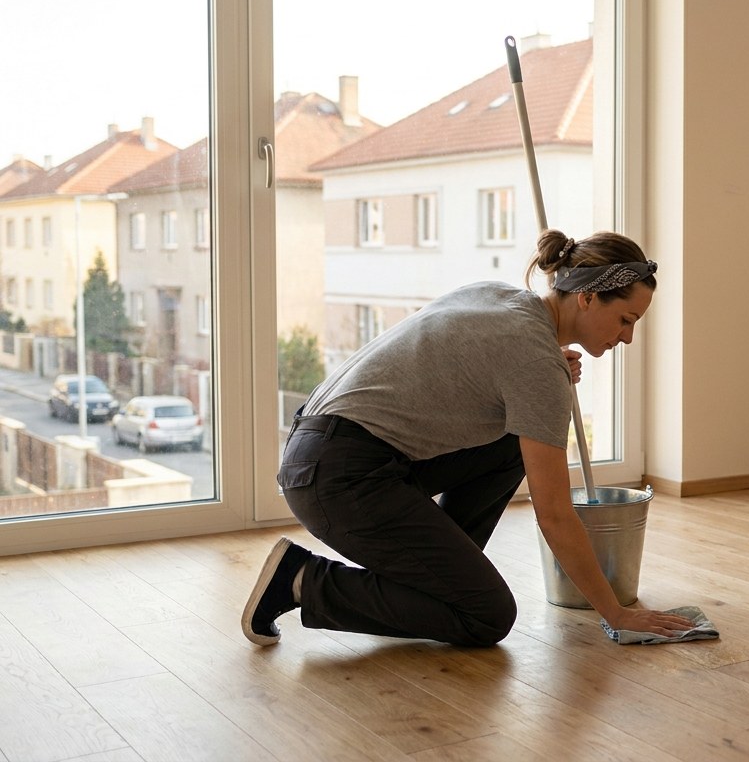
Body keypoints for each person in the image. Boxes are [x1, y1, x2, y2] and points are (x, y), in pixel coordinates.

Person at [241, 229, 694, 647]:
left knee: (508, 445)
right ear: (589, 299)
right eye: (626, 319)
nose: (629, 337)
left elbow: (461, 361)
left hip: (325, 450)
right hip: (339, 477)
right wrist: (614, 611)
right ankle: (300, 578)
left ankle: (439, 573)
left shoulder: (499, 298)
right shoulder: (536, 364)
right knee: (486, 614)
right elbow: (554, 514)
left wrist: (546, 369)